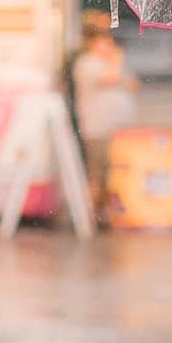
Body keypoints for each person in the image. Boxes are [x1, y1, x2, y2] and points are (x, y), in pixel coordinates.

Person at [72, 18, 141, 209]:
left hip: (119, 129)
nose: (110, 44)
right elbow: (111, 78)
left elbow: (133, 83)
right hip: (98, 129)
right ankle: (91, 214)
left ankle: (107, 213)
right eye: (105, 40)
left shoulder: (111, 63)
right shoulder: (87, 63)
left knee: (115, 175)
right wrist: (117, 61)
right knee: (98, 175)